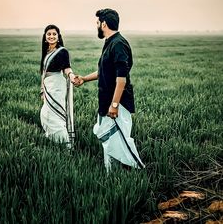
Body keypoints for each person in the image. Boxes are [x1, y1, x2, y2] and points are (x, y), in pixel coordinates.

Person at [75, 9, 145, 171]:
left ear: (103, 23)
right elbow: (103, 72)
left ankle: (137, 169)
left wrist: (114, 105)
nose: (97, 26)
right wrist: (84, 79)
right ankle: (111, 174)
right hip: (106, 101)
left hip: (118, 103)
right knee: (109, 140)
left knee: (120, 140)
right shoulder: (110, 42)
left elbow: (122, 78)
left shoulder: (118, 44)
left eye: (97, 23)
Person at [40, 24, 76, 147]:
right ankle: (53, 140)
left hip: (57, 86)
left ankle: (66, 145)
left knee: (56, 115)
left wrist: (71, 75)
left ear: (58, 37)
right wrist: (42, 90)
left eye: (54, 34)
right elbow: (43, 73)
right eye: (49, 34)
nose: (51, 36)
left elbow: (67, 68)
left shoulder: (62, 51)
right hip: (48, 86)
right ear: (45, 37)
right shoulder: (47, 51)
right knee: (46, 114)